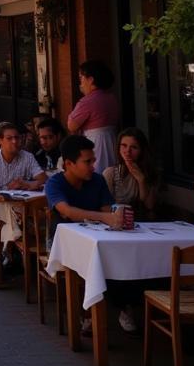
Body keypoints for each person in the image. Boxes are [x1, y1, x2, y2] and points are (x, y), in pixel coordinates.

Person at [46, 135, 136, 334]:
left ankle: (123, 305)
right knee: (89, 265)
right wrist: (105, 218)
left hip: (96, 239)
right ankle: (86, 313)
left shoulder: (97, 180)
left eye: (93, 160)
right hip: (62, 244)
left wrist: (116, 215)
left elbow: (107, 209)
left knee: (119, 259)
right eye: (88, 161)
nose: (93, 166)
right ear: (69, 164)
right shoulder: (55, 184)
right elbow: (66, 211)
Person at [0, 121, 47, 273]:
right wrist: (0, 199)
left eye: (17, 138)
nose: (14, 141)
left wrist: (26, 183)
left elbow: (42, 179)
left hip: (19, 201)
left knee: (36, 210)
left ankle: (14, 249)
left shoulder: (27, 157)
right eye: (9, 138)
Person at [67, 59, 121, 173]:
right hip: (112, 142)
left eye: (81, 78)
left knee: (95, 175)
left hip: (96, 145)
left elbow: (71, 125)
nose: (80, 83)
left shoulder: (87, 101)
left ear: (91, 80)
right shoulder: (111, 98)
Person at [102, 127, 159, 221]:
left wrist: (141, 180)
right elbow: (104, 207)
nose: (127, 151)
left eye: (134, 147)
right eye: (124, 145)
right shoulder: (110, 173)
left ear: (141, 151)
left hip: (139, 222)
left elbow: (150, 206)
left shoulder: (147, 171)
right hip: (115, 221)